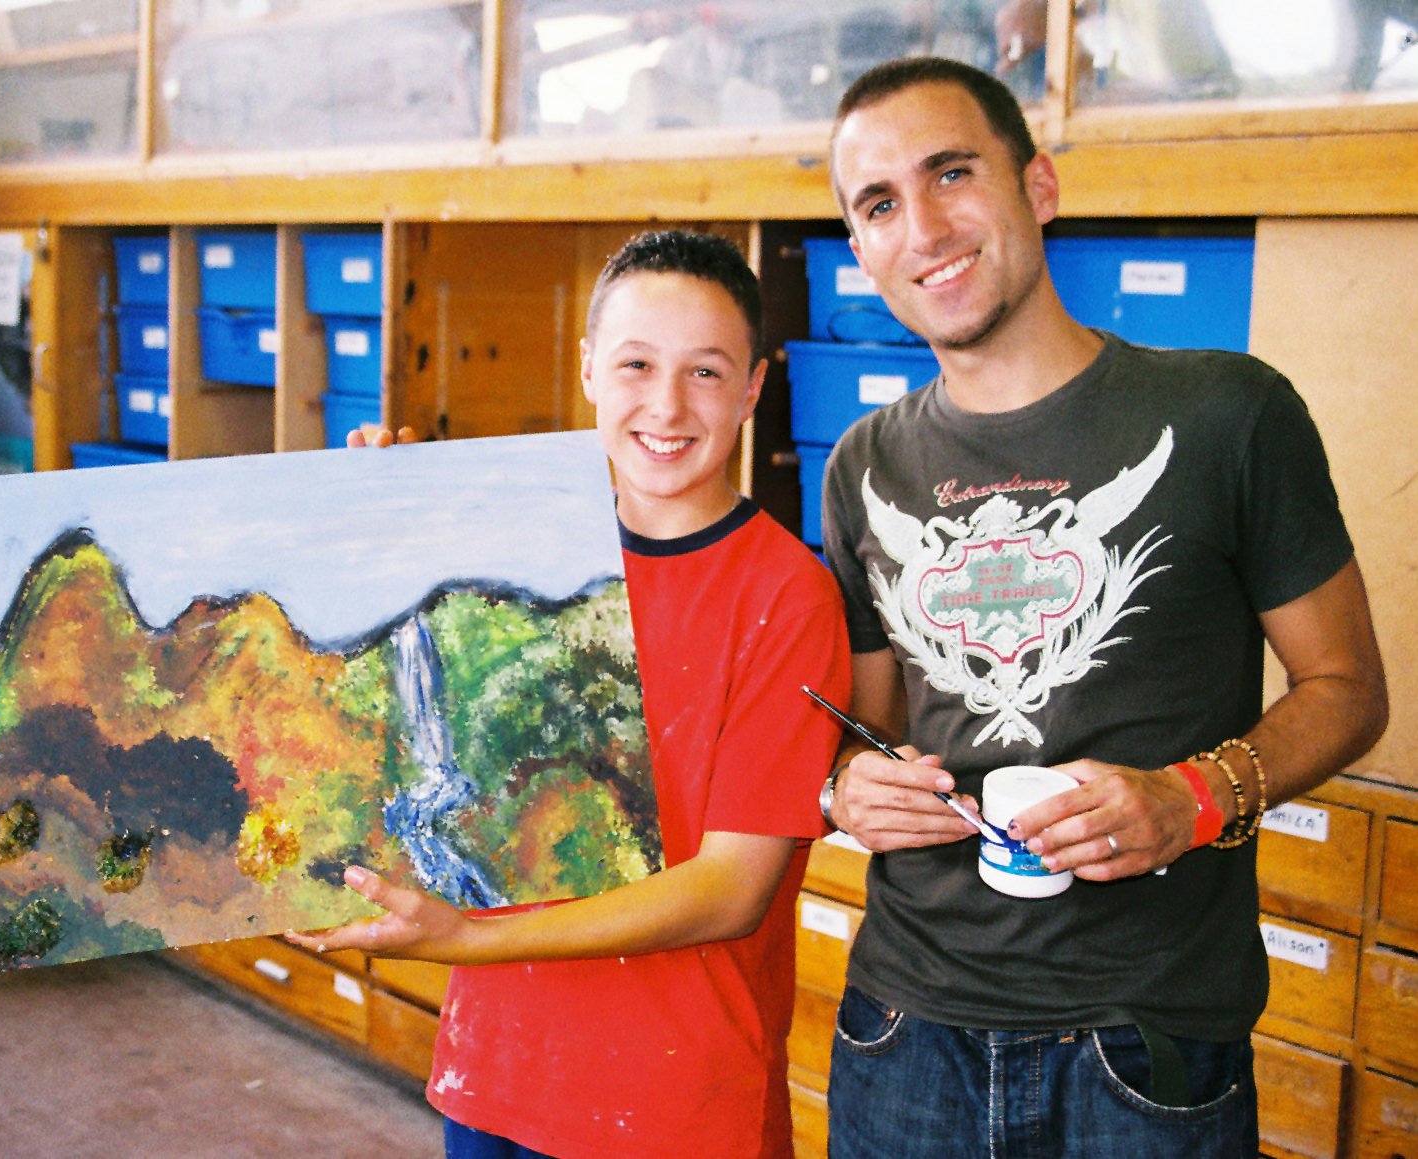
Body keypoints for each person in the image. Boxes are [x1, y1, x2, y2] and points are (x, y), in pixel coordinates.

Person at [818, 56, 1388, 1158]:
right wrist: (848, 786)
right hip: (902, 1030)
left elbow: (1347, 688)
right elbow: (867, 729)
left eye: (950, 173)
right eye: (879, 204)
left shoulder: (1227, 412)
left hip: (1145, 1040)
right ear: (860, 249)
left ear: (1037, 186)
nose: (922, 227)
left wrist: (1193, 797)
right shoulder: (861, 464)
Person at [286, 229, 851, 1159]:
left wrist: (463, 938)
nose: (666, 404)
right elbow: (382, 722)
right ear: (587, 367)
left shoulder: (785, 594)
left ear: (753, 388)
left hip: (675, 1103)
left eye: (705, 372)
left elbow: (729, 890)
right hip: (498, 1072)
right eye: (636, 364)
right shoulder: (510, 550)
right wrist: (381, 514)